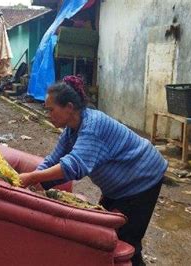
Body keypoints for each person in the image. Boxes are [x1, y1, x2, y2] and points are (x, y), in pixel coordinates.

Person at [19, 75, 167, 266]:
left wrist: (32, 177)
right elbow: (53, 159)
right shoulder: (71, 130)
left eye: (51, 110)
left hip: (142, 179)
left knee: (125, 241)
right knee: (105, 229)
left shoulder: (93, 126)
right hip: (119, 187)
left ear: (69, 107)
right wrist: (33, 184)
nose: (48, 115)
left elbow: (75, 165)